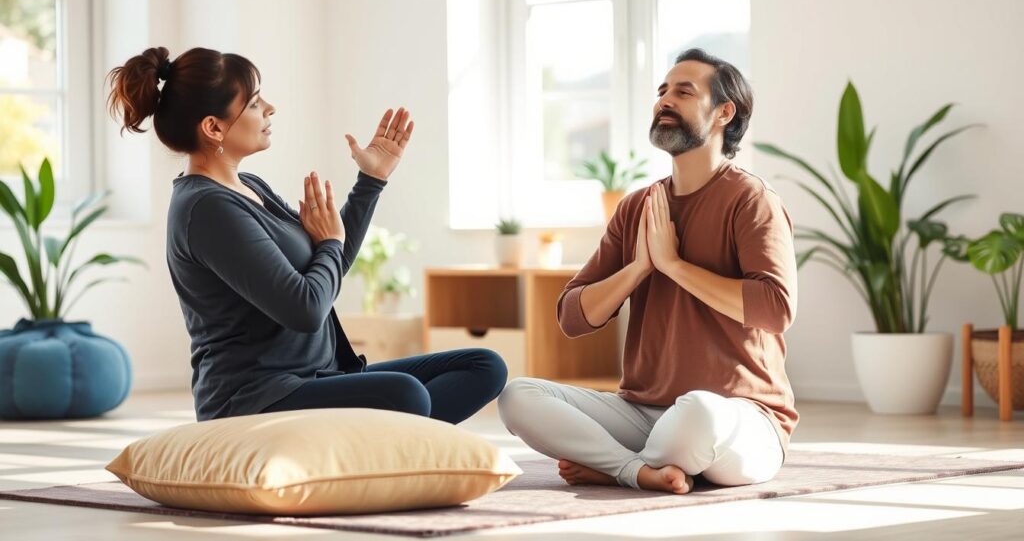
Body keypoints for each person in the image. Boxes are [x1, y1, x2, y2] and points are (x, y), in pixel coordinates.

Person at [107, 46, 507, 423]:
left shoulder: (250, 186)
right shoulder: (206, 209)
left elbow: (329, 266)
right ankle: (394, 453)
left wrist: (371, 179)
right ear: (213, 127)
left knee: (484, 366)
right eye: (254, 102)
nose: (269, 108)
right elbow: (306, 309)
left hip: (319, 377)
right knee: (407, 396)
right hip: (256, 397)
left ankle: (391, 451)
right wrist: (329, 243)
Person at [497, 48, 798, 494]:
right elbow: (572, 316)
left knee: (697, 414)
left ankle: (616, 466)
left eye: (683, 91)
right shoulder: (637, 206)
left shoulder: (752, 200)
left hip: (740, 417)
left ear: (723, 113)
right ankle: (638, 470)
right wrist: (639, 268)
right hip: (642, 413)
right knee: (516, 396)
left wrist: (673, 265)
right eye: (661, 91)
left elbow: (775, 309)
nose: (664, 101)